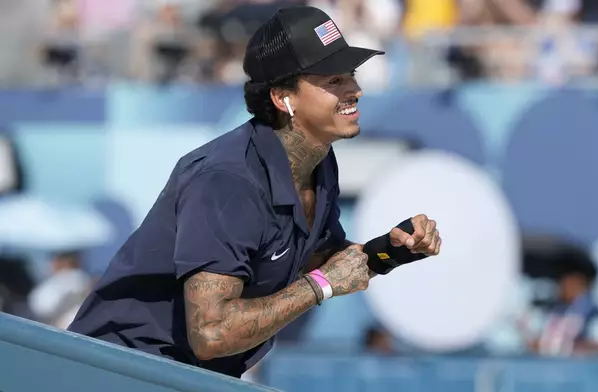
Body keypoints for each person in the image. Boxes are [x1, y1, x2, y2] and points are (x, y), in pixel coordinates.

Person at [67, 5, 442, 378]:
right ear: (283, 98)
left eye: (351, 75)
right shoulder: (227, 180)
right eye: (333, 80)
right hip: (115, 372)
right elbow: (211, 333)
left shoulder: (319, 162)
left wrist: (389, 252)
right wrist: (322, 286)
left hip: (179, 374)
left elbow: (318, 260)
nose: (355, 90)